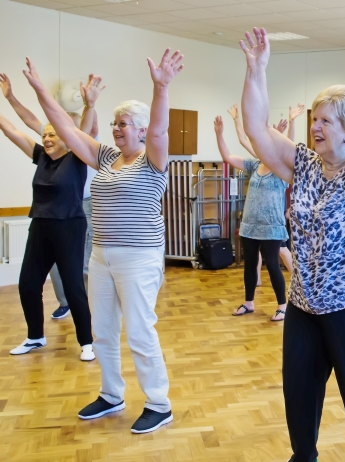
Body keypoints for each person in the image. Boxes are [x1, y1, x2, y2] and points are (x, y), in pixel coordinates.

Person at [240, 26, 345, 461]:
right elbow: (255, 128)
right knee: (299, 398)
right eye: (314, 119)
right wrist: (257, 70)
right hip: (306, 306)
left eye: (325, 120)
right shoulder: (304, 164)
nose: (315, 127)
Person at [23, 49, 183, 433]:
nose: (116, 128)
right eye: (114, 122)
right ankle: (112, 394)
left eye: (123, 123)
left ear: (141, 130)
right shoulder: (107, 157)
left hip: (138, 258)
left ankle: (159, 403)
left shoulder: (154, 159)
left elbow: (160, 130)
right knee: (104, 330)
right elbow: (65, 128)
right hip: (101, 256)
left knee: (141, 330)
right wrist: (40, 89)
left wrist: (161, 87)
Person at [0, 73, 100, 320]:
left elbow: (88, 125)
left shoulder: (82, 144)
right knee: (53, 263)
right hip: (51, 211)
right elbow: (27, 121)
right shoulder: (50, 143)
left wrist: (90, 104)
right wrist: (10, 97)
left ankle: (86, 305)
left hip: (80, 206)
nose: (47, 136)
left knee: (81, 264)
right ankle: (67, 301)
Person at [214, 115, 289, 322]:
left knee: (273, 264)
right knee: (249, 265)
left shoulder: (280, 169)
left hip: (271, 226)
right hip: (250, 226)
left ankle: (283, 306)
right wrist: (219, 134)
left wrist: (280, 134)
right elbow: (228, 156)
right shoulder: (254, 165)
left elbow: (288, 152)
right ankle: (248, 303)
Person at [228, 103, 298, 278]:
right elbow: (243, 139)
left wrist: (291, 122)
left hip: (273, 217)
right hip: (257, 219)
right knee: (256, 248)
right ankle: (256, 279)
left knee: (282, 250)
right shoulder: (259, 159)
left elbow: (289, 147)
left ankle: (299, 280)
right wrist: (236, 119)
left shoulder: (277, 163)